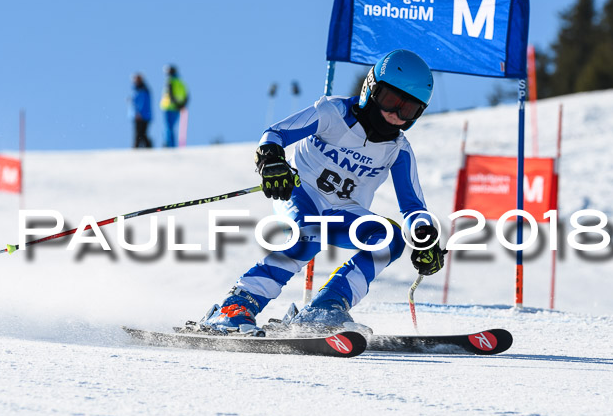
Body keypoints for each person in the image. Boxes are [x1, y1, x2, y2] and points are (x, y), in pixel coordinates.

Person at [200, 49, 446, 334]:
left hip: (342, 211)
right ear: (371, 89)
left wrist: (424, 236)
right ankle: (236, 304)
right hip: (301, 194)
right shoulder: (333, 113)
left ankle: (326, 306)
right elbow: (275, 133)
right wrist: (272, 160)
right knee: (308, 235)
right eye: (391, 101)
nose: (395, 115)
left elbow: (413, 207)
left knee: (389, 239)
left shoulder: (398, 150)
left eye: (408, 110)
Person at [160, 65, 189, 147]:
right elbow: (186, 96)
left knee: (168, 127)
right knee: (171, 127)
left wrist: (175, 104)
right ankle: (171, 143)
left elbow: (170, 93)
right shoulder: (180, 82)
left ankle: (169, 144)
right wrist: (182, 105)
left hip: (169, 107)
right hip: (177, 107)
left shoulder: (170, 81)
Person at [130, 73, 153, 148]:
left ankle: (138, 147)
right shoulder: (136, 90)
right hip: (139, 115)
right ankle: (145, 146)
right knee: (141, 133)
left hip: (142, 115)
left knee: (140, 133)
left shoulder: (143, 90)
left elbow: (142, 103)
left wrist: (138, 113)